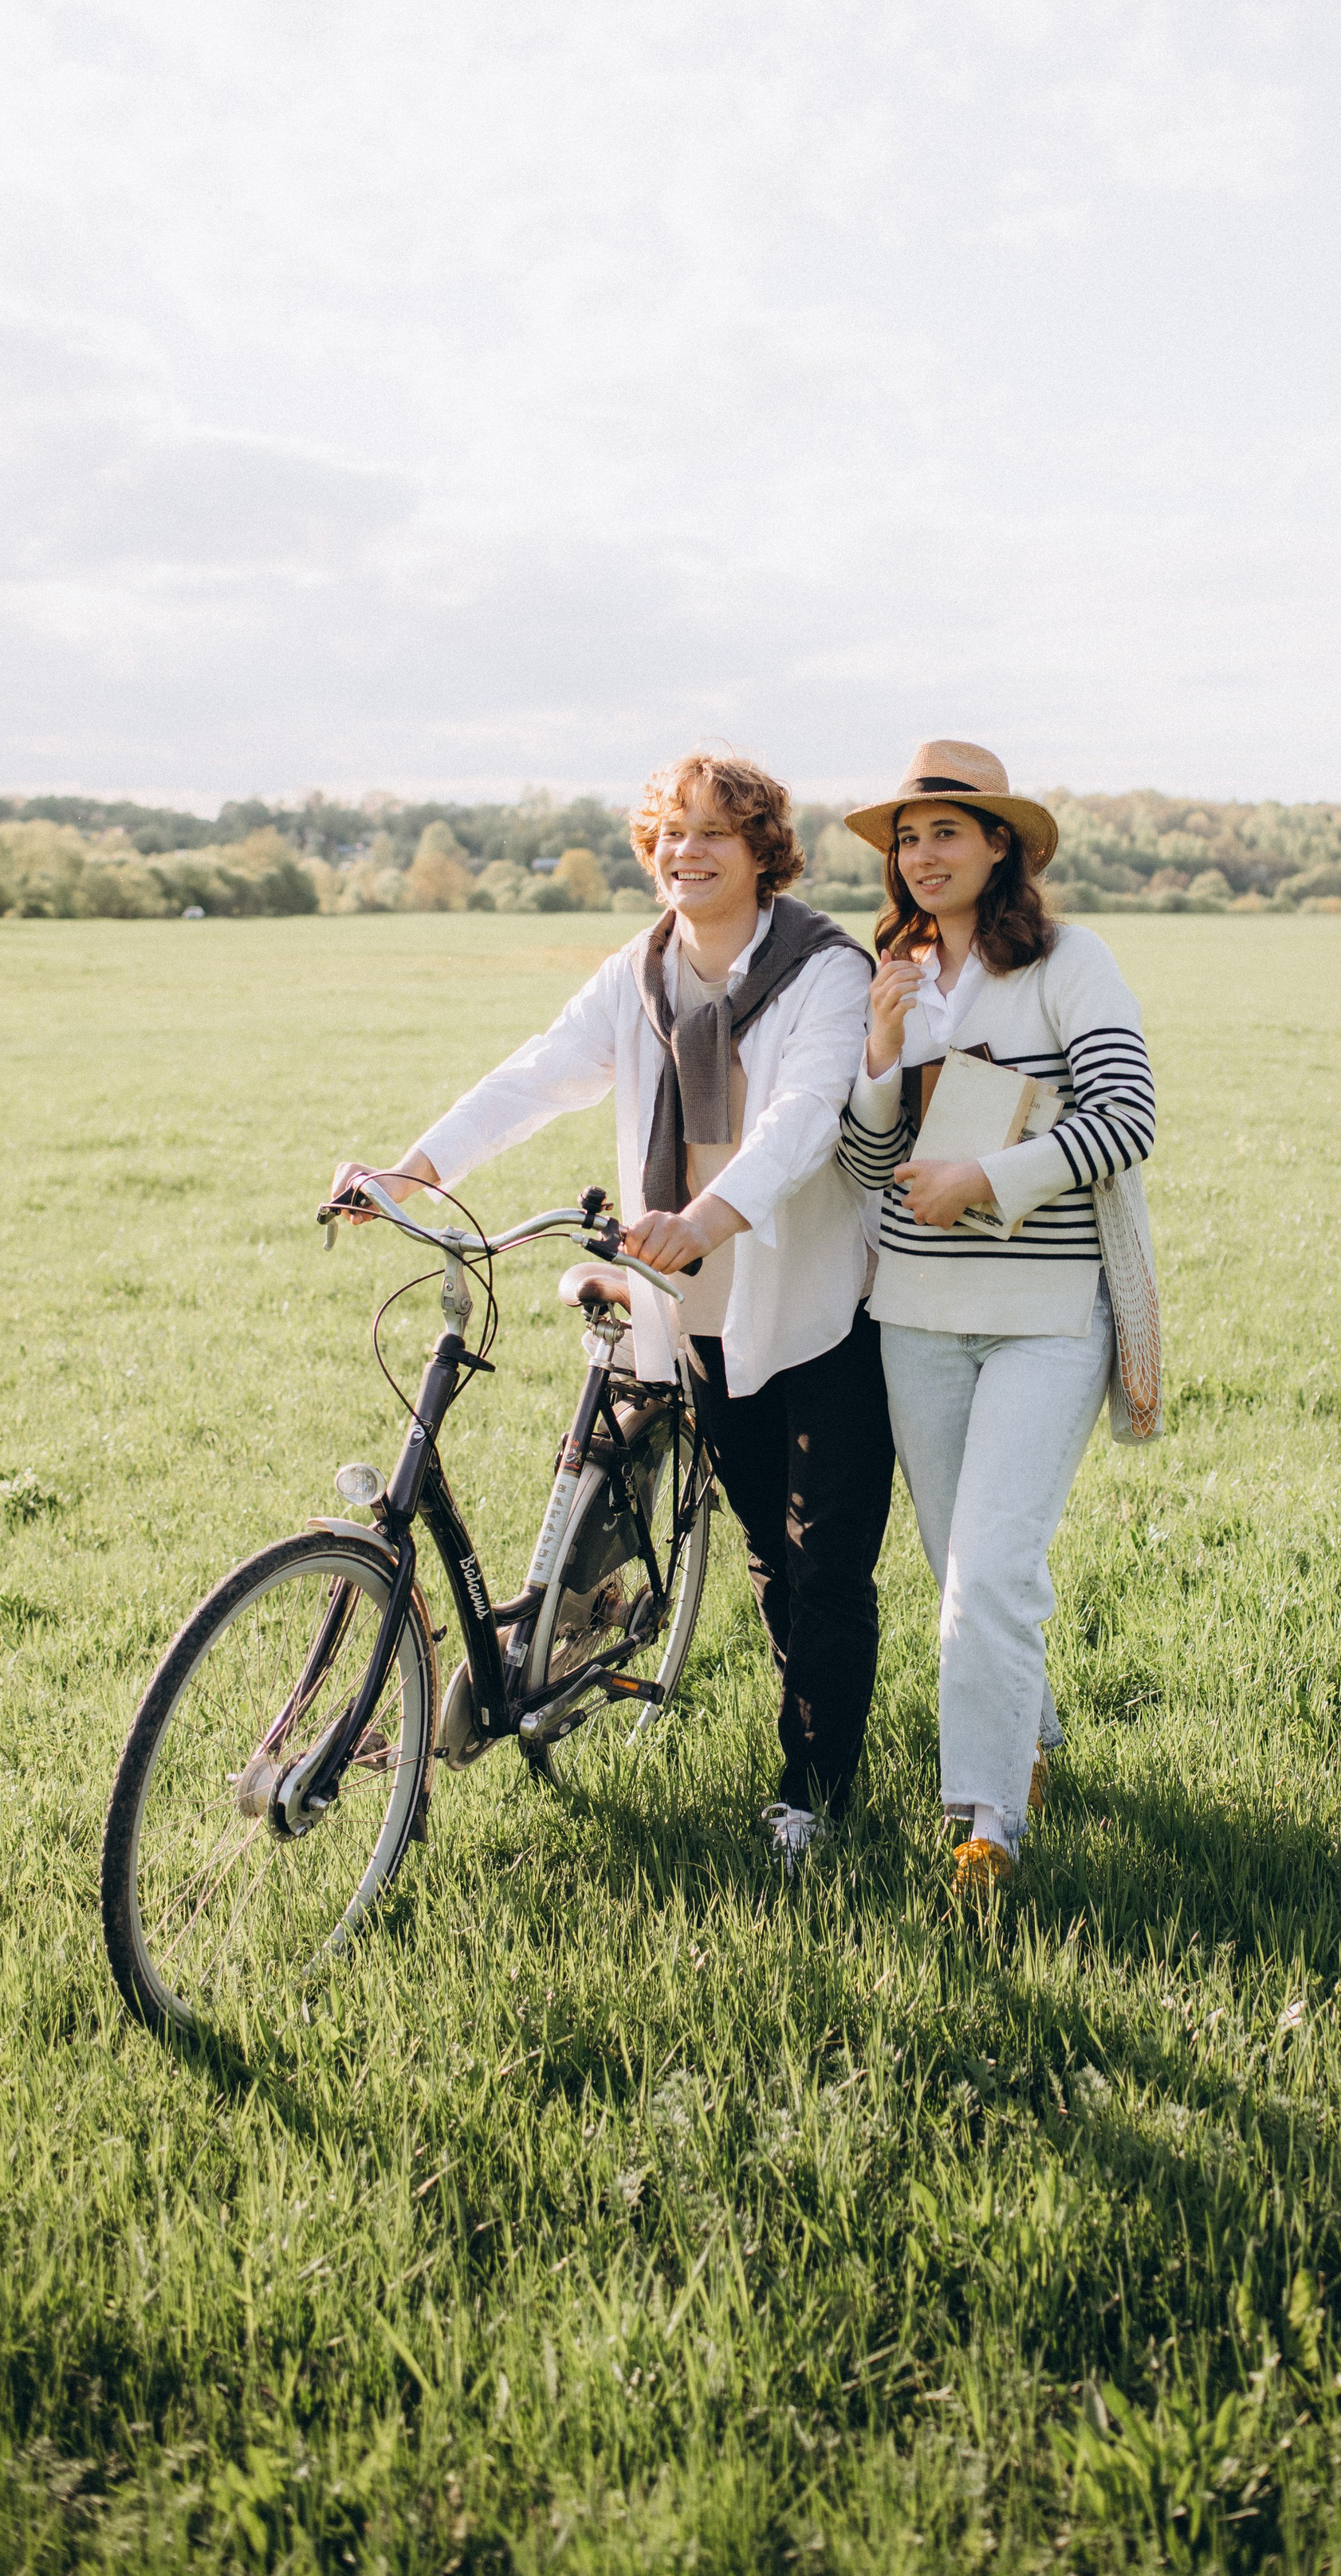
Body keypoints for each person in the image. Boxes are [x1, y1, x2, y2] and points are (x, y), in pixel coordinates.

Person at [331, 752, 894, 1876]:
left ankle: (813, 1795)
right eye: (670, 833)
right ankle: (790, 1734)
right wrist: (413, 1172)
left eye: (714, 835)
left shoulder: (825, 968)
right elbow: (540, 1073)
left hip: (817, 1297)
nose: (685, 853)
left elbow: (804, 1112)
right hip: (691, 1306)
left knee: (825, 1562)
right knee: (765, 1557)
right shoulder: (639, 972)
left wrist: (709, 1214)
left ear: (762, 852)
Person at [837, 740, 1157, 1891]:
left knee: (987, 1571)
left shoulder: (1072, 962)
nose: (923, 856)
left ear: (1001, 845)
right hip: (915, 1313)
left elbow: (1126, 1118)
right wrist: (880, 1052)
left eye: (947, 833)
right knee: (958, 1562)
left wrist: (988, 1178)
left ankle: (985, 1824)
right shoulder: (899, 974)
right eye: (907, 839)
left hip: (1044, 1311)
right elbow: (870, 1161)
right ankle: (1036, 1740)